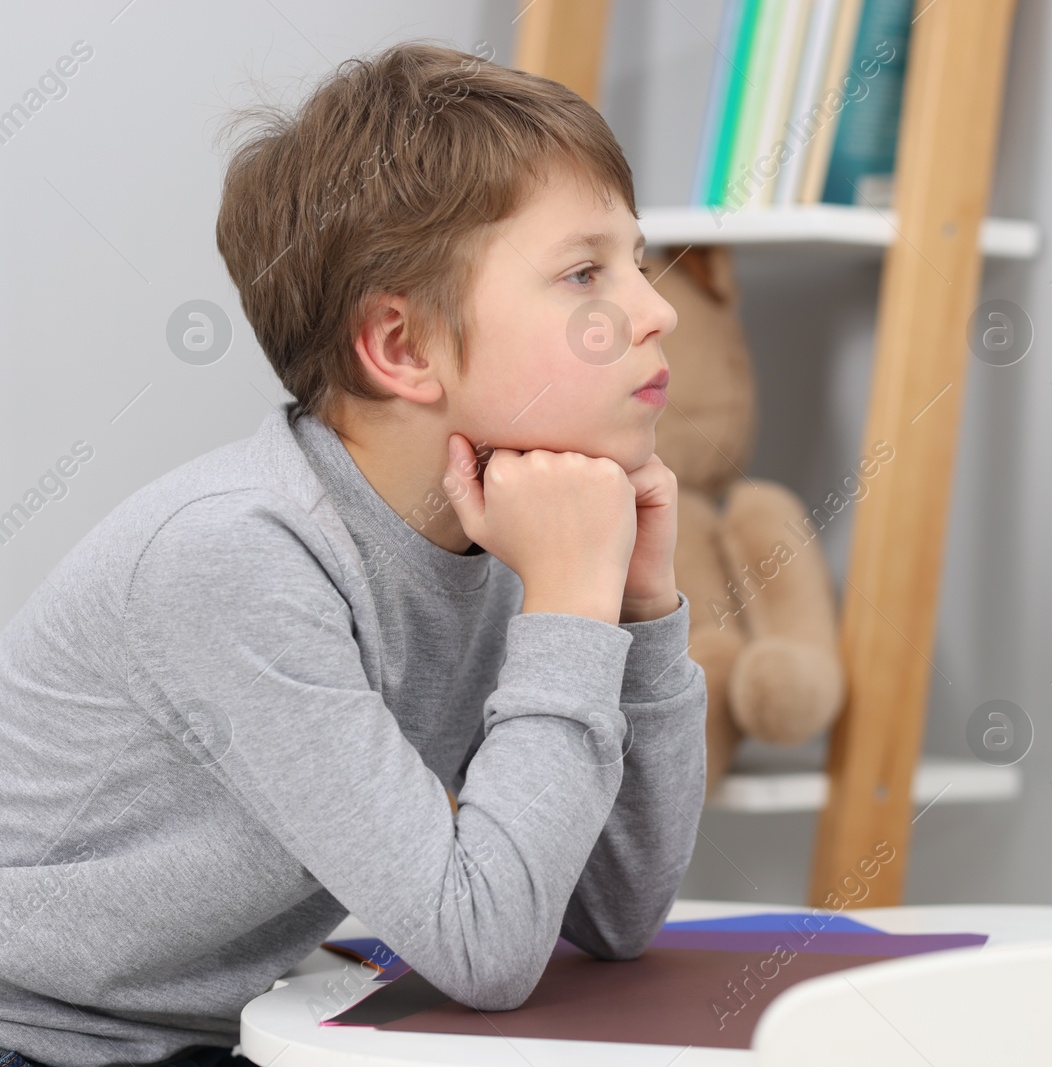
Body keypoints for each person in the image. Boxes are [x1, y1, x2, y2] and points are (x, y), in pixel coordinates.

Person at [0, 40, 706, 1067]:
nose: (656, 308)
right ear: (404, 347)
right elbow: (488, 948)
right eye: (586, 270)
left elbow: (615, 912)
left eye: (637, 261)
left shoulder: (508, 527)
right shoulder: (240, 555)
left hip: (230, 1032)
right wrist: (567, 608)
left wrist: (637, 616)